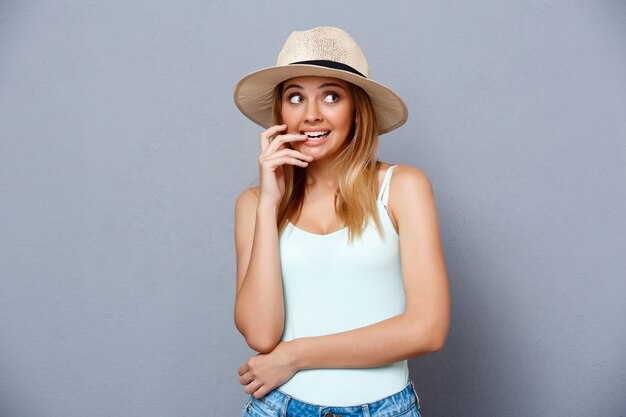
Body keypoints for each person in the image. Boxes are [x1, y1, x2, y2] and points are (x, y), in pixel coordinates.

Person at [232, 26, 450, 417]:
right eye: (295, 97)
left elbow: (428, 328)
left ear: (357, 108)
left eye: (331, 96)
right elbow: (261, 334)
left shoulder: (402, 187)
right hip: (278, 408)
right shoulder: (254, 204)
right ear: (280, 112)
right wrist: (269, 205)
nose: (311, 114)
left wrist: (297, 355)